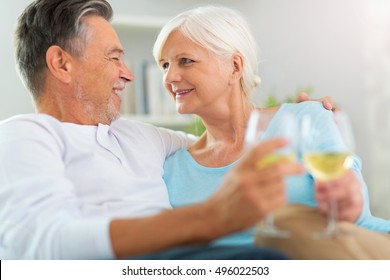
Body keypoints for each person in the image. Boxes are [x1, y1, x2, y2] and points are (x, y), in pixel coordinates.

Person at [0, 0, 308, 260]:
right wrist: (210, 218)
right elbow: (40, 242)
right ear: (61, 64)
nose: (128, 74)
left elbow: (222, 139)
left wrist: (301, 115)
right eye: (114, 58)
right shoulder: (26, 135)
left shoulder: (139, 135)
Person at [155, 6, 390, 255]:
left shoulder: (305, 118)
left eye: (185, 61)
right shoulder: (171, 170)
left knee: (285, 225)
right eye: (165, 65)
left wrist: (345, 196)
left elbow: (354, 208)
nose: (170, 77)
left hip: (361, 250)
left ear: (235, 67)